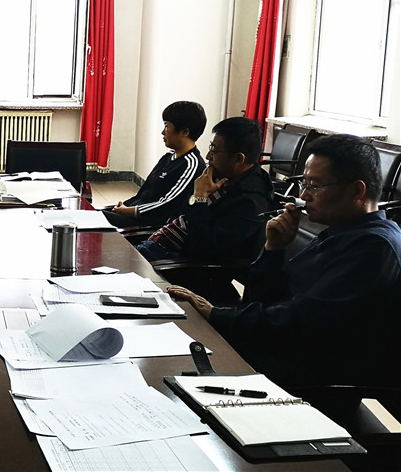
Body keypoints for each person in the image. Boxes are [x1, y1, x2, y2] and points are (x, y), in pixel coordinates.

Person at [168, 134, 401, 389]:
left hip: (309, 379)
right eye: (304, 184)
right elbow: (263, 301)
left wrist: (217, 314)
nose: (304, 195)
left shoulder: (374, 248)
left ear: (357, 191)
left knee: (178, 362)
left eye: (314, 186)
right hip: (279, 352)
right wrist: (273, 249)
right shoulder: (341, 232)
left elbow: (301, 320)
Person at [136, 116, 273, 263]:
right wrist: (196, 197)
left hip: (175, 262)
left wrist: (200, 198)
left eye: (213, 151)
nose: (208, 156)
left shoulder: (250, 202)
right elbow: (185, 213)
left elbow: (205, 250)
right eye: (210, 148)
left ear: (238, 159)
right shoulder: (223, 177)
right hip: (159, 245)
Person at [103, 101, 206, 229]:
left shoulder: (192, 165)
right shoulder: (168, 157)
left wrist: (130, 211)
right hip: (133, 215)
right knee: (89, 214)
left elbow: (168, 205)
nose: (163, 132)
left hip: (148, 226)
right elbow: (145, 194)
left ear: (184, 132)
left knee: (92, 218)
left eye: (167, 126)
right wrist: (124, 206)